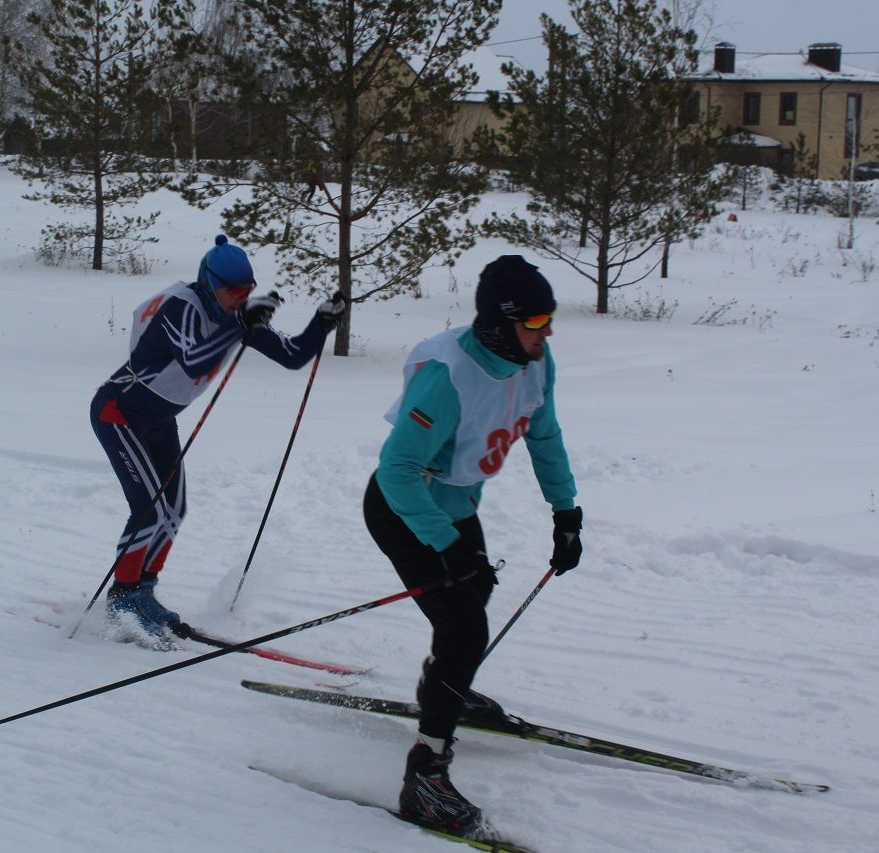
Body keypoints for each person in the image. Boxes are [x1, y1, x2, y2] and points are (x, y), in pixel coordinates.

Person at [362, 255, 583, 836]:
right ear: (499, 323)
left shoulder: (534, 360)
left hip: (456, 506)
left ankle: (448, 685)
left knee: (468, 610)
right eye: (536, 321)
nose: (548, 331)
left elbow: (546, 431)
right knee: (465, 625)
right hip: (404, 510)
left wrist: (566, 512)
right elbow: (397, 472)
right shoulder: (448, 375)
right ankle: (425, 777)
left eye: (549, 319)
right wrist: (447, 545)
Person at [91, 235, 347, 640]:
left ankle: (144, 592)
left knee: (173, 512)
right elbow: (194, 359)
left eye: (247, 291)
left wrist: (320, 323)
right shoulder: (181, 308)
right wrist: (239, 325)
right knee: (148, 510)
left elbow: (294, 355)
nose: (240, 298)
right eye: (233, 291)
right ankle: (121, 598)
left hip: (160, 419)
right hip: (118, 413)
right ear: (209, 283)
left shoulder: (234, 315)